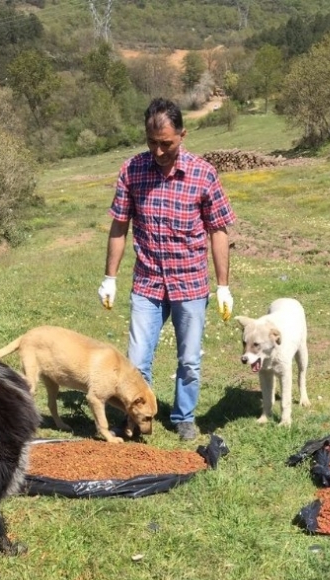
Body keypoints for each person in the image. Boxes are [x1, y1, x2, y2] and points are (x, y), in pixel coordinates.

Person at [99, 98, 237, 441]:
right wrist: (110, 277)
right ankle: (132, 418)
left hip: (189, 283)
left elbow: (218, 230)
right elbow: (120, 226)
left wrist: (222, 285)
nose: (159, 151)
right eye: (152, 143)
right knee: (136, 361)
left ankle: (184, 416)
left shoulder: (203, 174)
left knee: (189, 360)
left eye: (166, 143)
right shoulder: (132, 171)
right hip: (147, 281)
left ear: (182, 135)